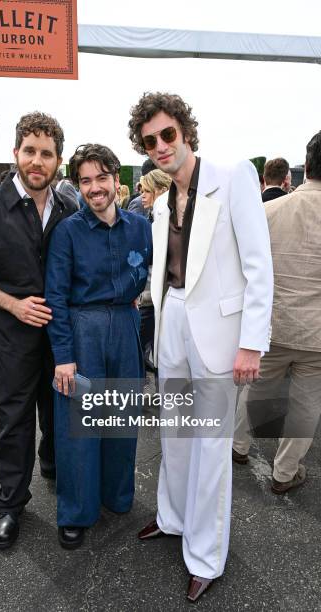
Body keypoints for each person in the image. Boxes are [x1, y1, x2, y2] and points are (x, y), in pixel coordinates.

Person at [128, 92, 273, 601]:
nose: (161, 146)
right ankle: (172, 519)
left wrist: (252, 344)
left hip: (219, 335)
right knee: (175, 434)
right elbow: (165, 272)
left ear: (185, 131)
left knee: (210, 447)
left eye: (168, 134)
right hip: (173, 325)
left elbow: (259, 266)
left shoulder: (231, 178)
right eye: (150, 141)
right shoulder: (163, 199)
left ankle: (206, 555)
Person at [0, 111, 77, 549]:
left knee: (61, 414)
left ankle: (58, 476)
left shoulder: (69, 206)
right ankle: (10, 503)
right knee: (15, 420)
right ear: (15, 153)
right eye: (30, 151)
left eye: (46, 153)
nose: (37, 161)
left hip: (61, 335)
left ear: (58, 160)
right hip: (14, 336)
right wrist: (13, 304)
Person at [45, 143, 152, 550]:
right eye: (85, 180)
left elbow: (151, 278)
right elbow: (54, 296)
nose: (94, 188)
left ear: (116, 180)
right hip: (82, 328)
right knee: (79, 427)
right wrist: (64, 356)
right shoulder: (67, 232)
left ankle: (117, 494)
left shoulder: (141, 226)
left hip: (126, 326)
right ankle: (76, 511)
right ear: (77, 184)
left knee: (122, 419)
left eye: (101, 178)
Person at [233, 131, 321, 493]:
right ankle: (285, 472)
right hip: (316, 334)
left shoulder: (268, 210)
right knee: (306, 403)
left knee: (252, 390)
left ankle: (236, 447)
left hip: (270, 325)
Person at [137, 170, 171, 369]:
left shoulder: (166, 221)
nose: (142, 195)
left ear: (162, 191)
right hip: (149, 299)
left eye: (147, 191)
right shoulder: (151, 217)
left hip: (154, 301)